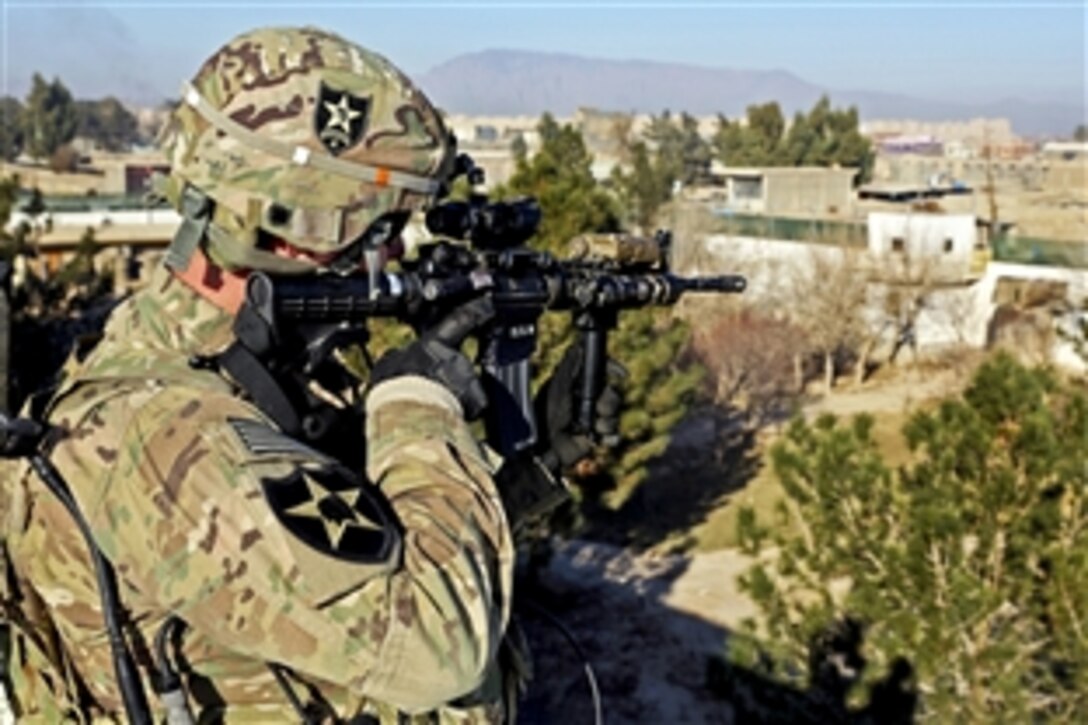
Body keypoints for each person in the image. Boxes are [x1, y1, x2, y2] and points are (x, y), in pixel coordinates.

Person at [0, 26, 609, 723]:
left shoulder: (231, 367)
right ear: (292, 231)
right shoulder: (175, 438)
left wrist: (517, 486)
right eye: (381, 230)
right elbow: (436, 649)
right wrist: (416, 403)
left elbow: (335, 580)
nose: (392, 255)